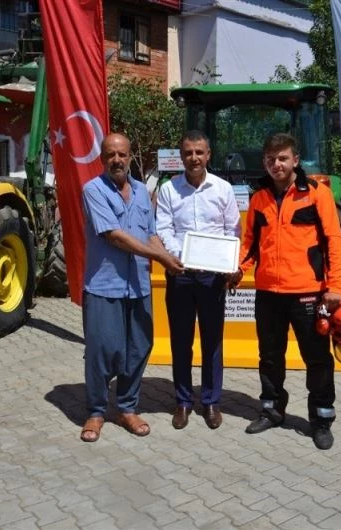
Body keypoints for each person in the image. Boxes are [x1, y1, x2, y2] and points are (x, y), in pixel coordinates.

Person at [231, 133, 341, 450]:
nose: (277, 164)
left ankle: (321, 419)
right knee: (269, 357)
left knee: (317, 359)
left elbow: (334, 241)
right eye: (271, 159)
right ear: (264, 162)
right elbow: (250, 244)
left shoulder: (317, 195)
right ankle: (272, 409)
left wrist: (335, 286)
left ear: (295, 160)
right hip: (268, 293)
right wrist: (237, 269)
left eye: (282, 158)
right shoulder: (259, 199)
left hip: (308, 292)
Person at [80, 133, 184, 442]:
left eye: (122, 154)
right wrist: (160, 257)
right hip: (104, 286)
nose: (117, 160)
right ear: (102, 159)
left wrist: (169, 258)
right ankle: (96, 411)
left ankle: (127, 407)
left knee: (139, 348)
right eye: (111, 155)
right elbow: (114, 236)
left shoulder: (142, 192)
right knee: (102, 351)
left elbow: (150, 233)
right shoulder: (93, 190)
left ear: (129, 157)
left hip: (138, 285)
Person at [156, 130, 241, 430]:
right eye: (188, 152)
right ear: (181, 156)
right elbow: (163, 228)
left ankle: (211, 401)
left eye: (199, 152)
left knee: (212, 341)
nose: (194, 158)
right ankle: (182, 401)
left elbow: (232, 230)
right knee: (180, 341)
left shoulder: (223, 189)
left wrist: (228, 263)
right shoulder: (169, 190)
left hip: (212, 278)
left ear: (208, 155)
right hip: (180, 274)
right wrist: (181, 256)